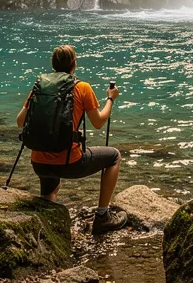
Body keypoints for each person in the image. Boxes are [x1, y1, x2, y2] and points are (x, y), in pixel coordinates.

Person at [17, 45, 127, 233]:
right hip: (71, 164)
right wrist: (111, 99)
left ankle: (49, 222)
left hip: (39, 163)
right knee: (114, 156)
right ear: (74, 64)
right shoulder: (82, 87)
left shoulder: (40, 85)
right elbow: (98, 122)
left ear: (53, 64)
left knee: (50, 189)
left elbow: (20, 121)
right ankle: (102, 216)